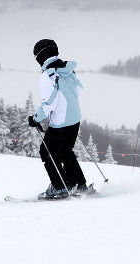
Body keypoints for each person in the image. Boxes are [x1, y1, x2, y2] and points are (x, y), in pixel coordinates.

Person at [28, 39, 88, 198]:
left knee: (47, 151)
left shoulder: (48, 75)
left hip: (61, 122)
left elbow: (49, 103)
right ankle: (80, 184)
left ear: (41, 56)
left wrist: (36, 118)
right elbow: (79, 90)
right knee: (65, 151)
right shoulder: (68, 70)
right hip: (75, 119)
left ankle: (60, 186)